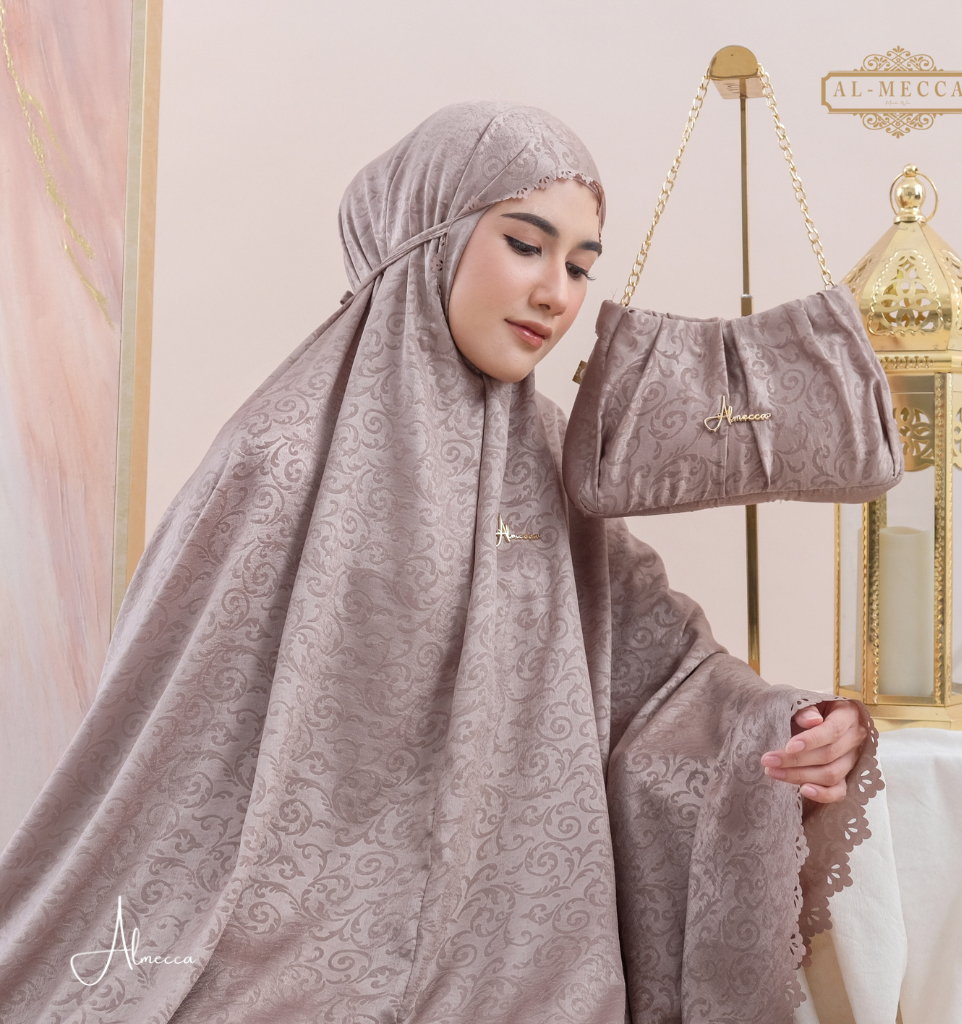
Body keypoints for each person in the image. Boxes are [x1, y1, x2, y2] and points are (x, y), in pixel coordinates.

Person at [0, 102, 876, 1024]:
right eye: (526, 245)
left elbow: (665, 677)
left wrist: (789, 724)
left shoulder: (550, 460)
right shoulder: (278, 461)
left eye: (581, 265)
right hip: (267, 948)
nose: (556, 293)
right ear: (429, 239)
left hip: (520, 958)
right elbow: (163, 762)